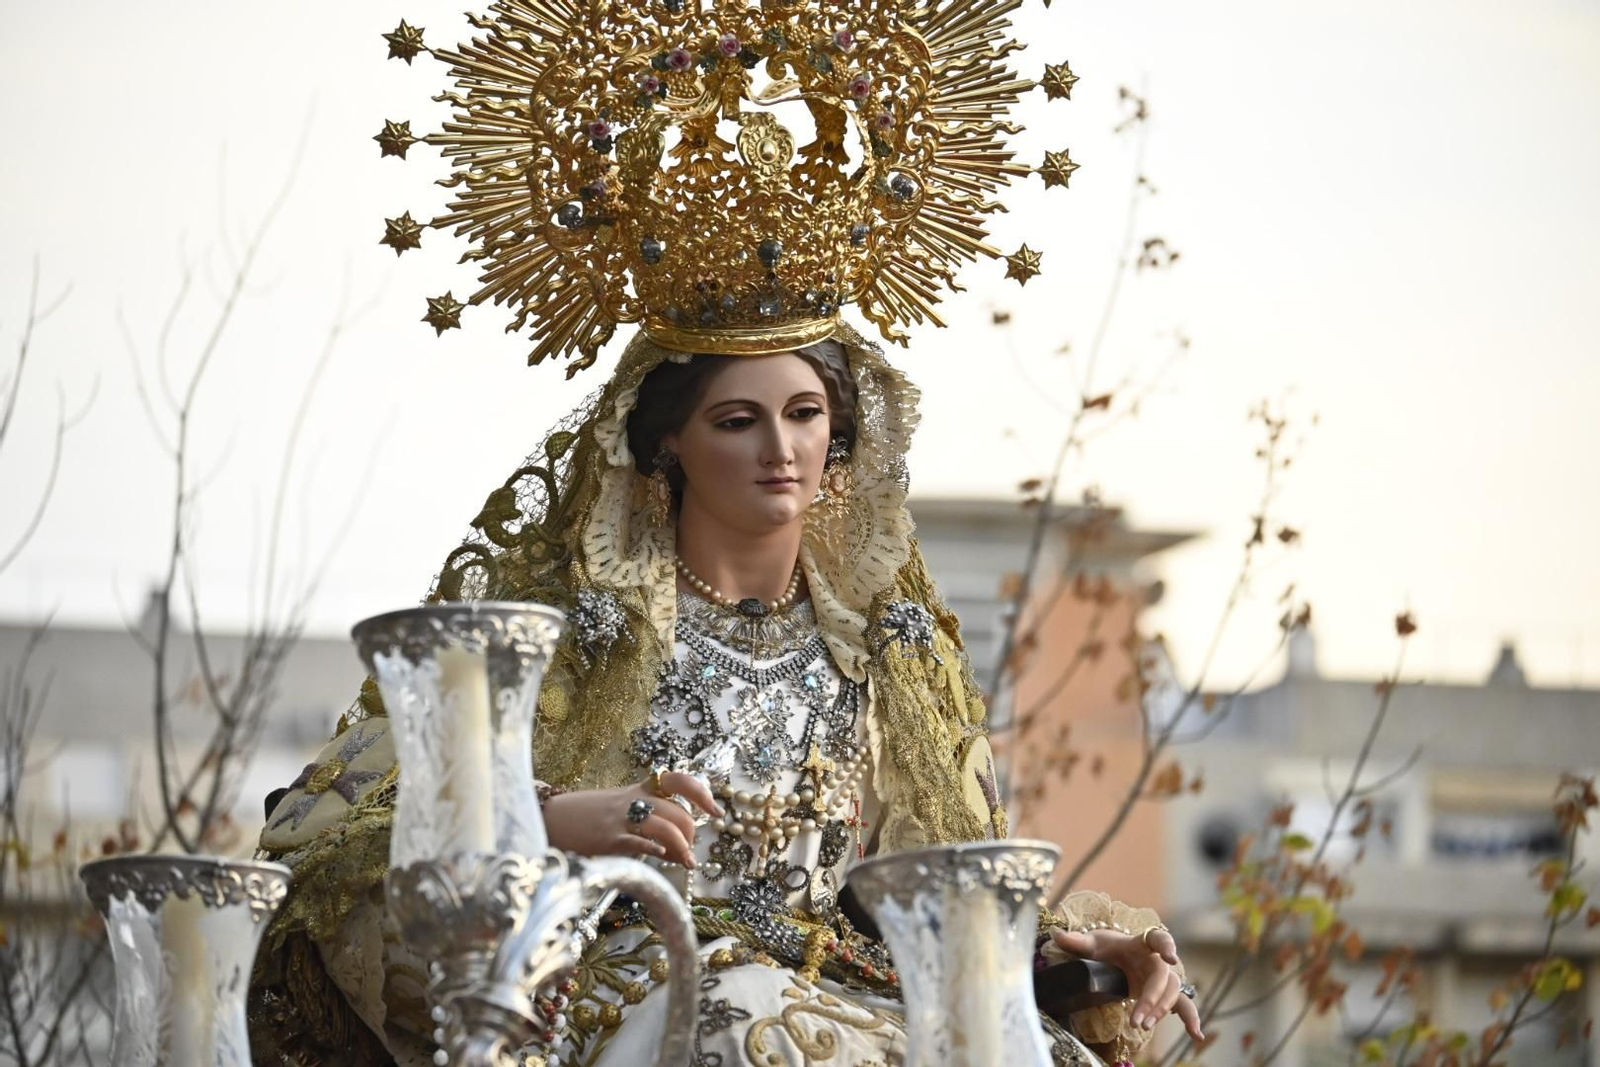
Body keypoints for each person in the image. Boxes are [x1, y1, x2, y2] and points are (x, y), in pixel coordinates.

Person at [247, 323, 1204, 1066]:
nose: (779, 447)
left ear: (840, 434)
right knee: (754, 1029)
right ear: (668, 442)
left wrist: (1047, 953)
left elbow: (923, 896)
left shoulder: (884, 656)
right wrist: (545, 817)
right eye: (737, 419)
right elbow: (335, 824)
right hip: (638, 979)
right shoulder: (570, 637)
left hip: (846, 988)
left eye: (803, 412)